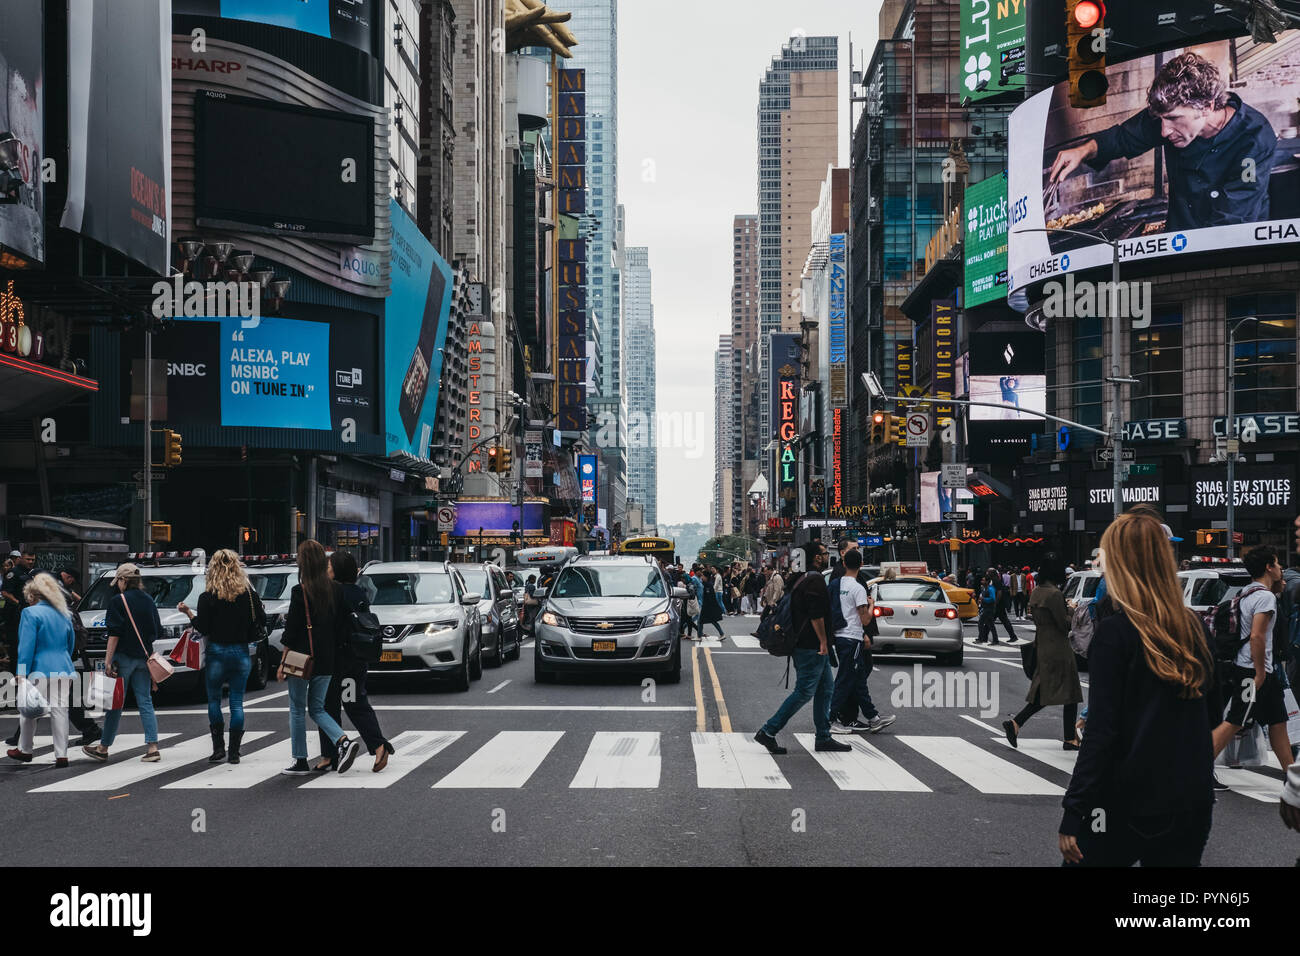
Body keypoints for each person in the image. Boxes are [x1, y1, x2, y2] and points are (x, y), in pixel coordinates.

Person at [1058, 512, 1219, 867]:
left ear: (1119, 564)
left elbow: (1102, 732)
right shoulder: (1195, 627)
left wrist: (1075, 810)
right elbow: (1214, 714)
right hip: (1190, 801)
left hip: (1125, 800)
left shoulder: (1116, 633)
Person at [1048, 52, 1276, 231]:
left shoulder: (1253, 139)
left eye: (1173, 119)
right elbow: (1123, 138)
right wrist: (1082, 151)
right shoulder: (1167, 120)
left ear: (1206, 107)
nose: (1165, 131)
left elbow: (1233, 217)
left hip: (1231, 246)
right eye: (1160, 120)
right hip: (1180, 235)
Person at [754, 541, 852, 756]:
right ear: (817, 557)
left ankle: (823, 736)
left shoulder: (800, 578)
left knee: (826, 689)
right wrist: (824, 642)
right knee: (804, 691)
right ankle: (768, 731)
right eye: (825, 553)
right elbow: (816, 615)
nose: (828, 556)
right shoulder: (815, 580)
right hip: (811, 646)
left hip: (807, 644)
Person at [279, 540, 363, 775]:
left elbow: (291, 631)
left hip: (300, 658)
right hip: (327, 658)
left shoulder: (300, 591)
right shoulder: (336, 589)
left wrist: (282, 661)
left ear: (303, 562)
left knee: (297, 708)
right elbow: (342, 625)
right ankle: (343, 741)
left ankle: (300, 760)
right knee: (317, 708)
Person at [1210, 546, 1295, 774]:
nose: (1280, 569)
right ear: (1268, 567)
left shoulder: (1247, 592)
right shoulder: (1265, 597)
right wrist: (1259, 673)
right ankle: (1197, 767)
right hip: (1252, 672)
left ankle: (1292, 778)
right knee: (1235, 721)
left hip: (1259, 671)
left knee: (1278, 723)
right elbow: (1257, 636)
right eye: (1277, 564)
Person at [177, 549, 266, 765]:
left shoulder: (207, 597)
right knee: (237, 702)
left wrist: (189, 613)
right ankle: (234, 752)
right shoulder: (249, 595)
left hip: (217, 651)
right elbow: (261, 619)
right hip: (241, 651)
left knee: (214, 699)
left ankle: (218, 749)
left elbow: (203, 627)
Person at [311, 551, 395, 773]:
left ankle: (331, 755)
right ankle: (376, 747)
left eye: (329, 566)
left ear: (336, 569)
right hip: (356, 658)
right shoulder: (359, 592)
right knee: (355, 703)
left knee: (327, 705)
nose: (326, 570)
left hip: (336, 659)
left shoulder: (335, 592)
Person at [83, 564, 162, 763]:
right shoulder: (149, 600)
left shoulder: (118, 601)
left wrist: (107, 661)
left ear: (123, 580)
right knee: (145, 701)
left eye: (118, 581)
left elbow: (114, 634)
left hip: (123, 657)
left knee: (115, 703)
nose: (117, 585)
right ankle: (153, 747)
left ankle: (103, 747)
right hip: (144, 657)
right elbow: (157, 630)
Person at [1004, 555, 1083, 751]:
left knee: (1044, 692)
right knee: (1070, 693)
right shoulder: (1054, 594)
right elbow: (1064, 624)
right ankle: (1069, 739)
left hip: (1043, 646)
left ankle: (1017, 724)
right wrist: (1072, 609)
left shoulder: (1037, 592)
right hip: (1059, 649)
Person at [5, 574, 77, 767]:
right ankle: (62, 755)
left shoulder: (30, 614)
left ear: (33, 596)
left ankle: (25, 749)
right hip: (63, 666)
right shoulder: (64, 613)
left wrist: (21, 672)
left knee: (29, 710)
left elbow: (26, 647)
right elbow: (71, 643)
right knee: (60, 711)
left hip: (39, 667)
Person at [828, 548, 895, 735]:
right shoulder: (858, 588)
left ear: (843, 564)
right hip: (852, 637)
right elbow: (865, 620)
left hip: (840, 636)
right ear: (861, 565)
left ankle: (873, 718)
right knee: (845, 680)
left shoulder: (835, 583)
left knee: (857, 680)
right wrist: (872, 604)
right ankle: (830, 719)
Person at [975, 570, 1003, 646]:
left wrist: (983, 599)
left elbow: (993, 599)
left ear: (987, 581)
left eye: (983, 580)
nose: (981, 581)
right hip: (986, 608)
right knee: (991, 625)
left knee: (981, 623)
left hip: (989, 609)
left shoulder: (990, 589)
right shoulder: (985, 588)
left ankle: (981, 639)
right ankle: (994, 640)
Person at [698, 569, 726, 639]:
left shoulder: (708, 585)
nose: (702, 577)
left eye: (703, 576)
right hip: (708, 606)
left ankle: (699, 636)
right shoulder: (707, 584)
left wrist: (706, 606)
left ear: (706, 577)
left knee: (700, 621)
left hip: (708, 606)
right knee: (712, 621)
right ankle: (722, 634)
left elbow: (709, 597)